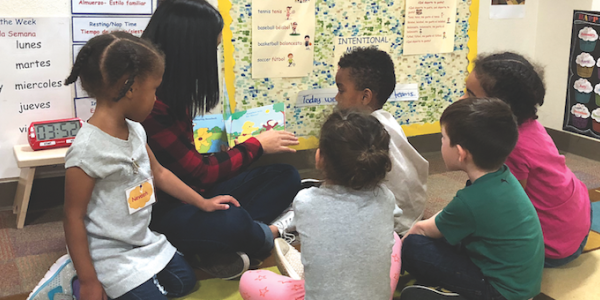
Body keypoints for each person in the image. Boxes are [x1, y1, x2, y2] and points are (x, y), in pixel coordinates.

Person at [30, 32, 212, 300]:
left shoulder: (136, 129)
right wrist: (91, 281)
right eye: (154, 90)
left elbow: (159, 173)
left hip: (141, 240)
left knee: (185, 281)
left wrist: (203, 203)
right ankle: (76, 279)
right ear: (131, 88)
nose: (156, 99)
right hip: (106, 252)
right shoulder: (86, 151)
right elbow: (72, 216)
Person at [141, 0, 302, 279]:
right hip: (162, 212)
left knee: (286, 175)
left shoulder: (174, 90)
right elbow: (200, 174)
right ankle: (269, 234)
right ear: (191, 52)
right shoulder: (148, 103)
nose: (213, 58)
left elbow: (192, 169)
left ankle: (216, 248)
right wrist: (258, 145)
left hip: (195, 195)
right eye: (213, 49)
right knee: (232, 221)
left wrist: (231, 153)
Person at [239, 109, 402, 300]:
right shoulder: (386, 197)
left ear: (319, 158)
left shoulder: (305, 200)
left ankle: (303, 275)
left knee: (249, 280)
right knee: (394, 238)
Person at [401, 98, 544, 300]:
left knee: (413, 246)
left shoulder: (471, 201)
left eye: (443, 138)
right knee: (446, 236)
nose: (441, 142)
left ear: (460, 153)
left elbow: (421, 230)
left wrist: (398, 251)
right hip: (520, 284)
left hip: (498, 292)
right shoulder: (503, 177)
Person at [466, 52, 592, 267]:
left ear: (499, 105)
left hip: (553, 246)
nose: (462, 100)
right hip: (577, 225)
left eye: (470, 95)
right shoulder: (530, 125)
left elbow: (508, 206)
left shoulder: (509, 147)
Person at [334, 47, 429, 236]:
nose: (336, 98)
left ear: (365, 96)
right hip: (413, 214)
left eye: (341, 90)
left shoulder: (360, 132)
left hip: (390, 223)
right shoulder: (388, 120)